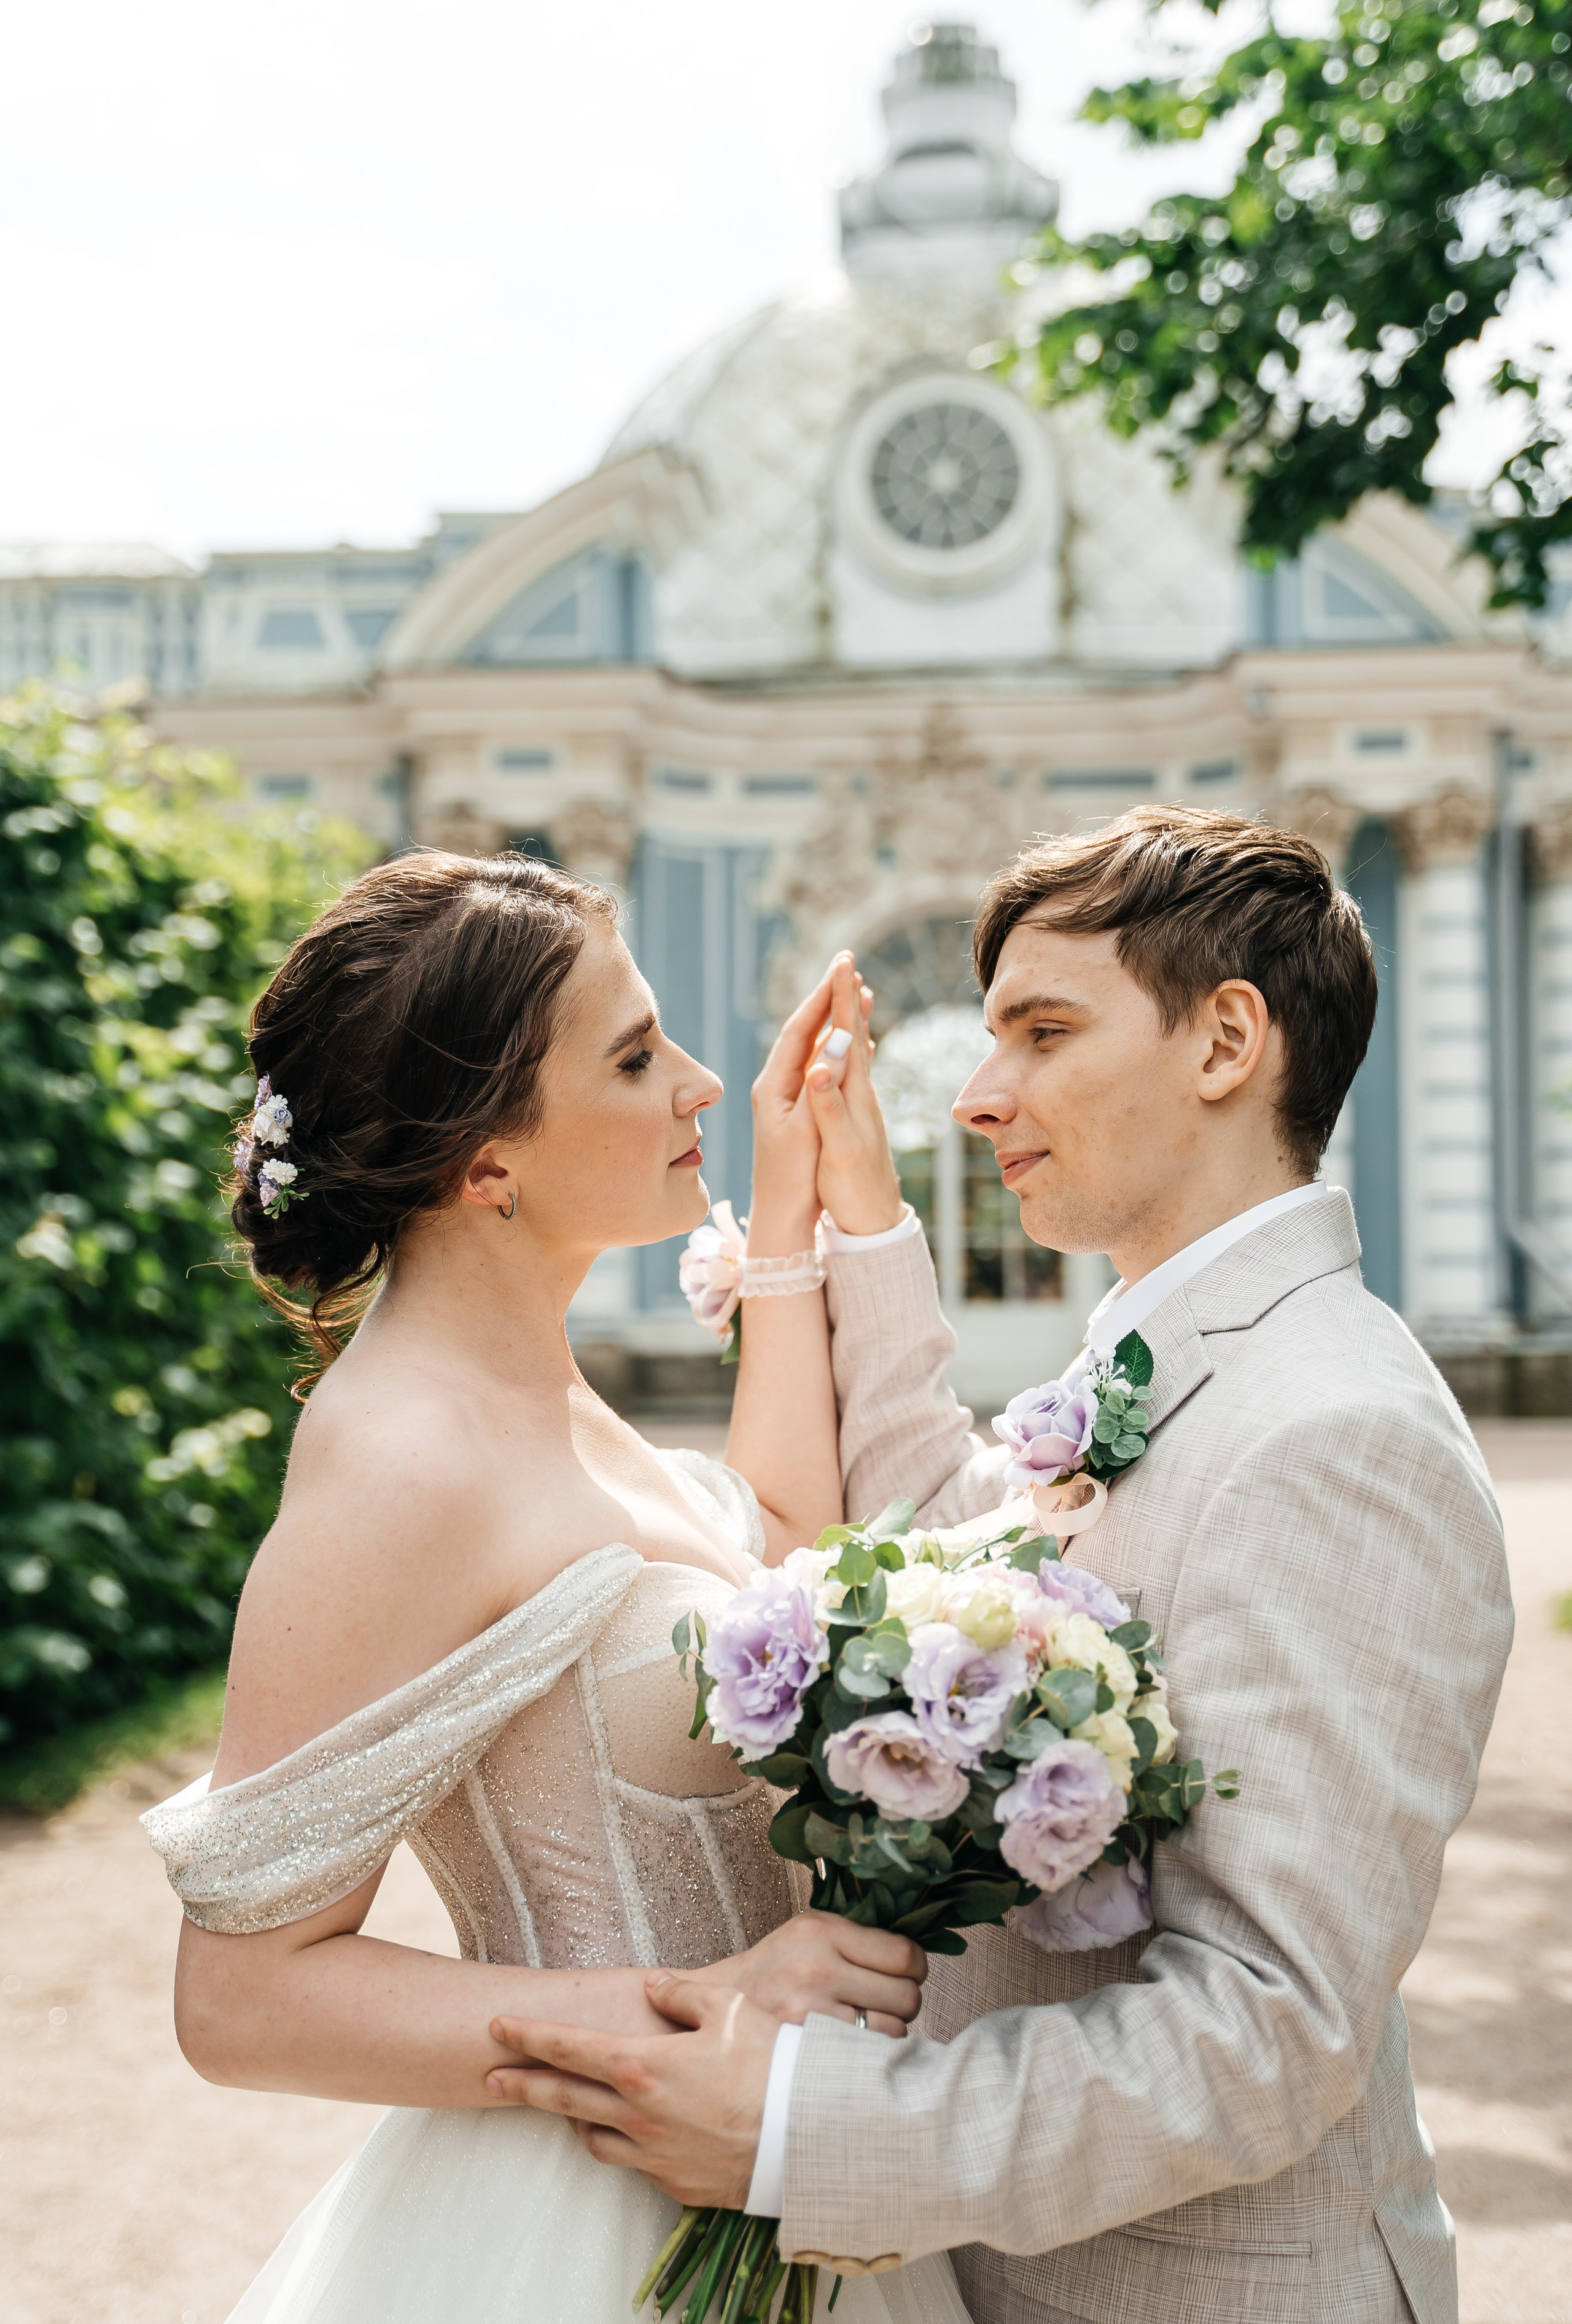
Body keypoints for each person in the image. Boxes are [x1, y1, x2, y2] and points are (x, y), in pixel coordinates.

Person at [489, 807, 1514, 2324]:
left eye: (1041, 1033)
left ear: (1226, 1040)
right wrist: (865, 1220)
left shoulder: (1335, 1436)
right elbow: (953, 1560)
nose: (976, 1097)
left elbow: (1266, 2031)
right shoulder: (1182, 1356)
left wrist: (799, 2131)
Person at [142, 850, 970, 2324]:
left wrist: (789, 1218)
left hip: (762, 2177)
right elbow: (244, 1998)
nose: (701, 1081)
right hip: (578, 2233)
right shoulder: (402, 1457)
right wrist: (691, 2009)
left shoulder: (535, 1389)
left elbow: (770, 1546)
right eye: (639, 1056)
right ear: (488, 1162)